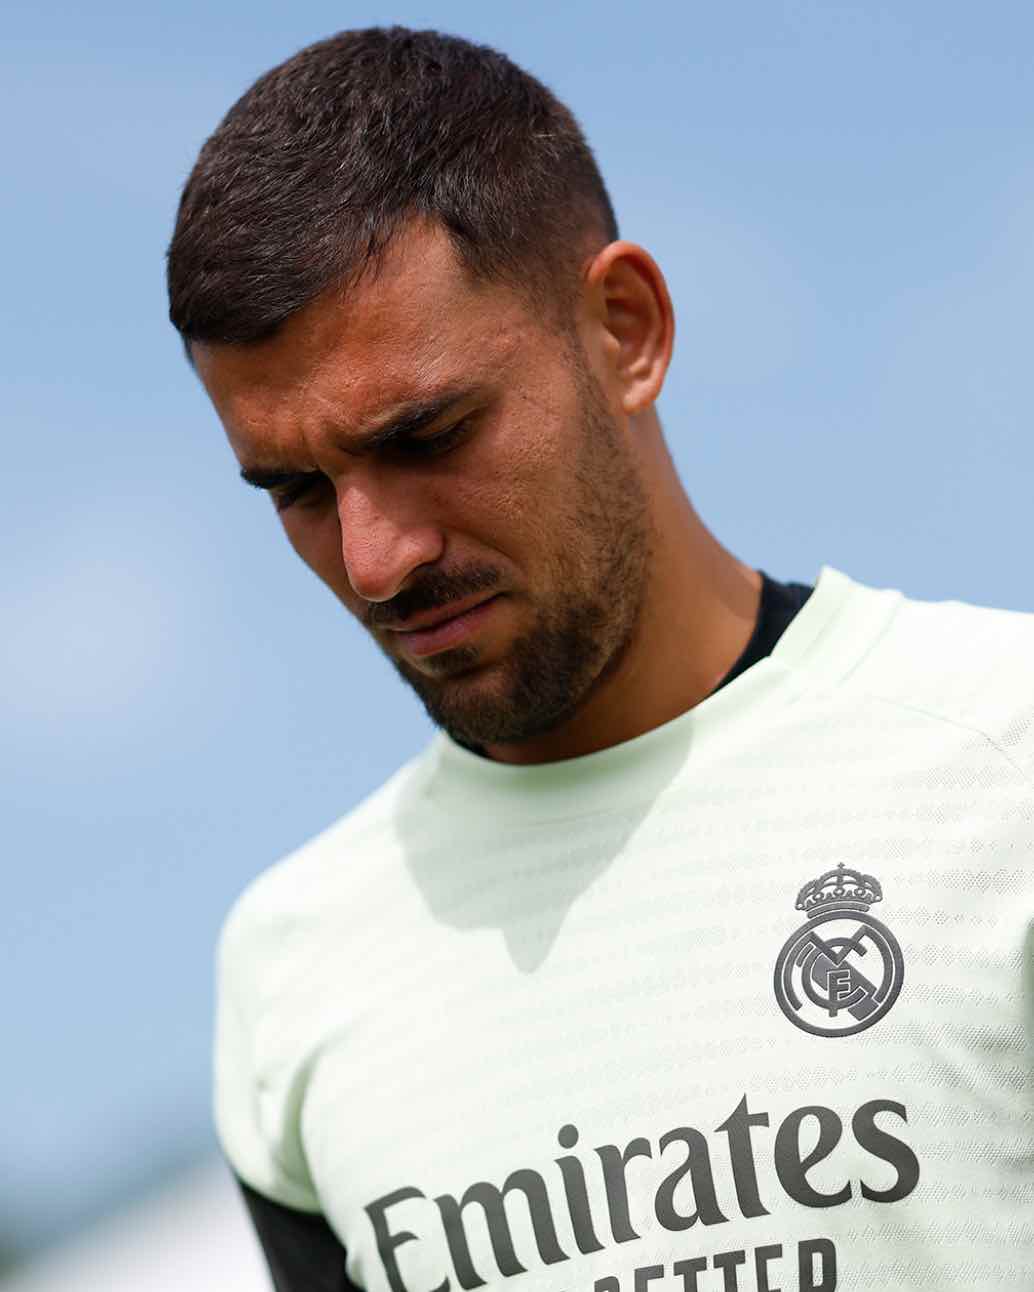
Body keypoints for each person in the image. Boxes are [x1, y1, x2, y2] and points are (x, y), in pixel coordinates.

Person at [166, 25, 1034, 1292]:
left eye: (427, 434)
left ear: (623, 330)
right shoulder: (291, 968)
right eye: (297, 489)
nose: (375, 559)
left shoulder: (1001, 753)